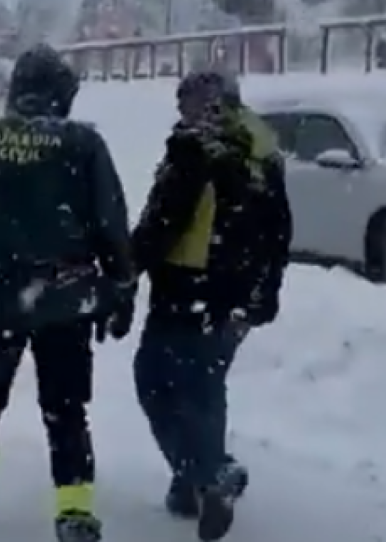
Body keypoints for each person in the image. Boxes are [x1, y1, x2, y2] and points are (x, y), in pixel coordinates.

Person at [0, 44, 136, 542]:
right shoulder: (83, 145)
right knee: (66, 409)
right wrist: (121, 289)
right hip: (65, 300)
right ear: (59, 94)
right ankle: (74, 513)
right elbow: (111, 224)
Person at [129, 70, 291, 541]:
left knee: (156, 384)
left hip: (186, 287)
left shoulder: (197, 147)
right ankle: (196, 481)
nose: (185, 114)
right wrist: (263, 297)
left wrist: (125, 270)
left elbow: (163, 221)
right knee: (203, 387)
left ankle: (205, 476)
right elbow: (279, 229)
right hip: (235, 294)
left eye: (190, 104)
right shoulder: (261, 149)